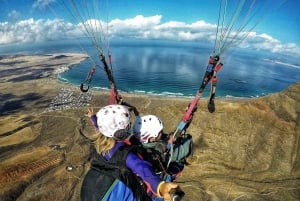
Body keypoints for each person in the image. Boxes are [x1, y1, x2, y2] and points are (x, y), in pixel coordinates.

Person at [80, 104, 180, 201]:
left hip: (90, 191)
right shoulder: (125, 154)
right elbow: (142, 168)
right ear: (121, 133)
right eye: (128, 125)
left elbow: (100, 129)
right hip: (112, 194)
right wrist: (160, 186)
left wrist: (93, 118)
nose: (130, 127)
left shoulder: (100, 144)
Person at [132, 115, 193, 180]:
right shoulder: (161, 151)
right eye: (160, 132)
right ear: (153, 137)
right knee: (180, 161)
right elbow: (184, 150)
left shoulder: (135, 140)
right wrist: (187, 139)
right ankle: (189, 160)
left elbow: (165, 137)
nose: (162, 131)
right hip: (160, 173)